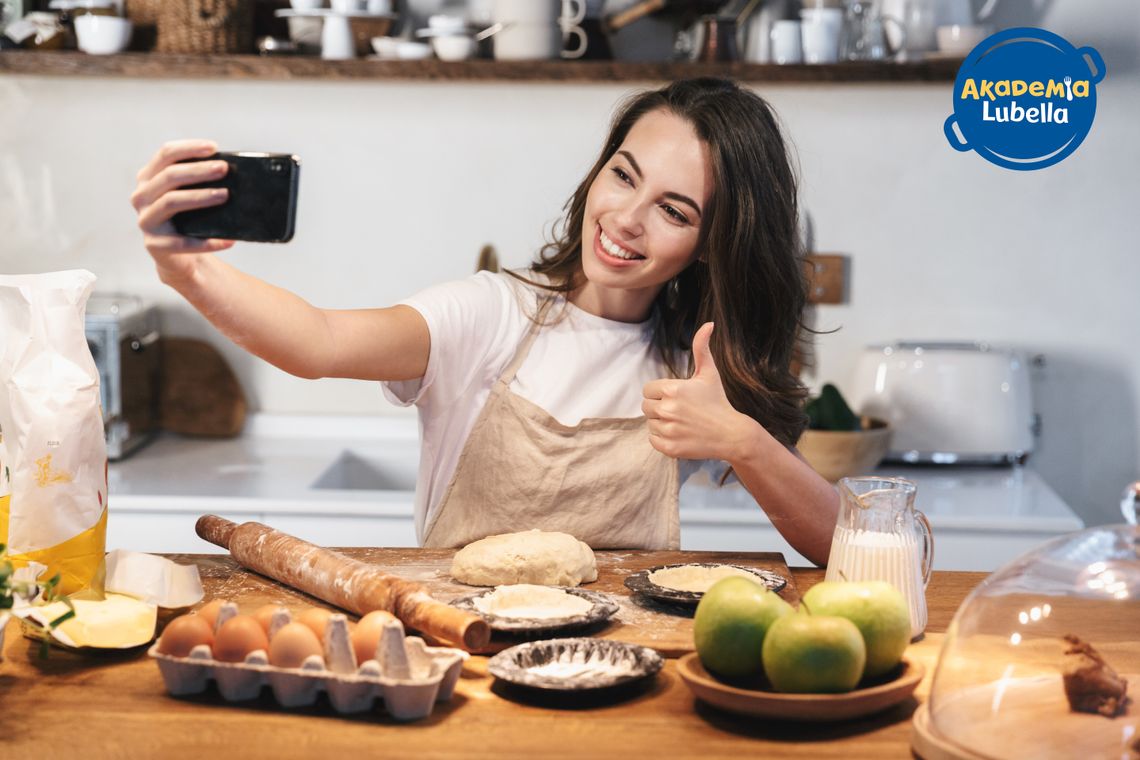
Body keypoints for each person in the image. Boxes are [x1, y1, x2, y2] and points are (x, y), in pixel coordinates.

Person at [131, 77, 839, 565]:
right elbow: (319, 341)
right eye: (624, 175)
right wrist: (184, 268)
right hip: (461, 660)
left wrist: (743, 440)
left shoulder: (697, 366)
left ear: (712, 246)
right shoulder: (491, 315)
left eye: (674, 210)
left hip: (627, 673)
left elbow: (846, 545)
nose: (626, 218)